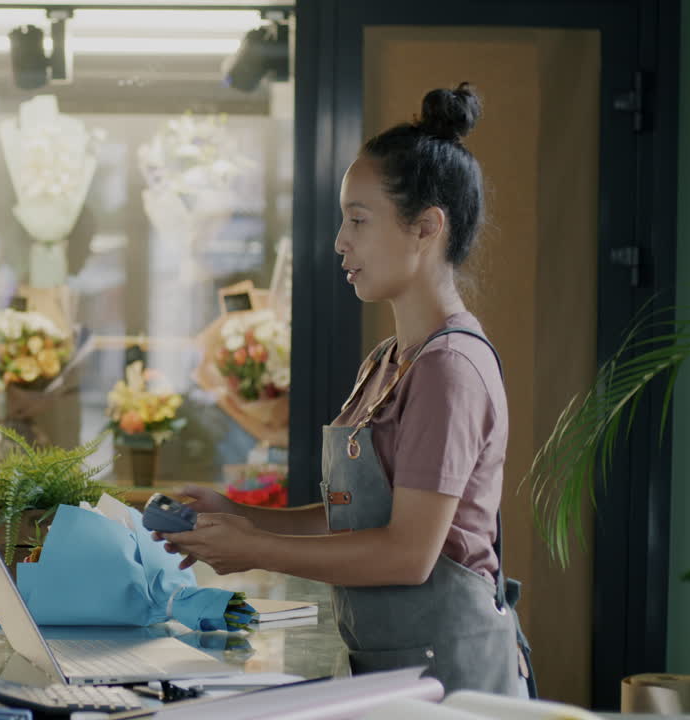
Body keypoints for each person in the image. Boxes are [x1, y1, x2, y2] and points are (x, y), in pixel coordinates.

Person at [158, 83, 533, 696]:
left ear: (426, 228)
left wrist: (255, 548)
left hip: (455, 690)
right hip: (396, 679)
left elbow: (407, 554)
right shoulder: (387, 362)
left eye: (358, 220)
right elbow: (351, 523)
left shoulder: (450, 369)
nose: (339, 242)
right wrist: (241, 516)